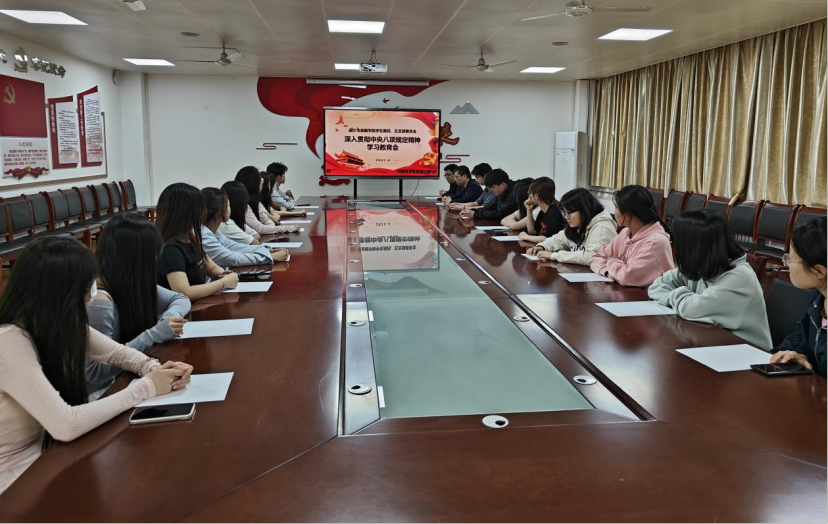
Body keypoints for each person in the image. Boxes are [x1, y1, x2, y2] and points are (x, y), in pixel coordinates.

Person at [0, 237, 194, 495]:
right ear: (59, 292)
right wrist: (147, 387)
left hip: (45, 460)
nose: (90, 298)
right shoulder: (9, 341)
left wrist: (152, 367)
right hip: (13, 483)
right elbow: (66, 424)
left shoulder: (57, 322)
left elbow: (118, 354)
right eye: (85, 288)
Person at [86, 213, 192, 397]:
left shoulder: (134, 283)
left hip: (130, 374)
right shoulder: (99, 302)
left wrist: (167, 320)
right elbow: (94, 373)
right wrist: (154, 334)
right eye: (154, 254)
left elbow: (180, 299)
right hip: (102, 392)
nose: (157, 260)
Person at [648, 209, 772, 350]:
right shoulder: (700, 266)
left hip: (747, 353)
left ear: (694, 246)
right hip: (712, 344)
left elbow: (691, 309)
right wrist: (682, 298)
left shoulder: (740, 277)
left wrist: (677, 295)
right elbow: (656, 286)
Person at [156, 183, 240, 300]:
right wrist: (223, 283)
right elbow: (184, 292)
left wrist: (224, 274)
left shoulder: (190, 238)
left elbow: (211, 268)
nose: (205, 212)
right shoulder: (170, 250)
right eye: (201, 207)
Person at [770, 217, 827, 377]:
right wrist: (794, 356)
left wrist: (812, 369)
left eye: (790, 259)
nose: (786, 264)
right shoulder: (817, 299)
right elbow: (799, 339)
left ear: (819, 271)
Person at [590, 185, 674, 287]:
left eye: (616, 208)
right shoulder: (626, 233)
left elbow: (626, 276)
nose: (614, 211)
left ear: (627, 215)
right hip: (627, 292)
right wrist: (607, 272)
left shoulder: (655, 242)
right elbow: (597, 257)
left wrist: (612, 260)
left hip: (648, 296)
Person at [201, 187, 289, 266]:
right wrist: (270, 257)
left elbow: (234, 246)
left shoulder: (214, 230)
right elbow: (231, 258)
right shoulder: (204, 235)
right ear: (220, 211)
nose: (230, 208)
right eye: (228, 205)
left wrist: (266, 250)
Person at [528, 188, 617, 264]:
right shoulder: (579, 224)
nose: (566, 217)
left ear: (583, 210)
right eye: (564, 213)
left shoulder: (602, 227)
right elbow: (559, 239)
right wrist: (542, 247)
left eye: (569, 213)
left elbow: (591, 257)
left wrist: (555, 256)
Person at [235, 166, 298, 236]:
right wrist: (288, 228)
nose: (262, 182)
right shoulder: (243, 204)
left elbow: (267, 221)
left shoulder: (256, 202)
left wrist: (270, 226)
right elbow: (260, 229)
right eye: (260, 180)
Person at [518, 179, 566, 244]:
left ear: (536, 196)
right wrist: (529, 210)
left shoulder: (553, 213)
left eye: (530, 193)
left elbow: (547, 239)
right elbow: (531, 231)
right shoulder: (542, 211)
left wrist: (526, 237)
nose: (529, 197)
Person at [219, 181, 262, 245]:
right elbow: (256, 242)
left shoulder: (234, 221)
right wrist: (247, 237)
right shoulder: (226, 225)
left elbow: (257, 236)